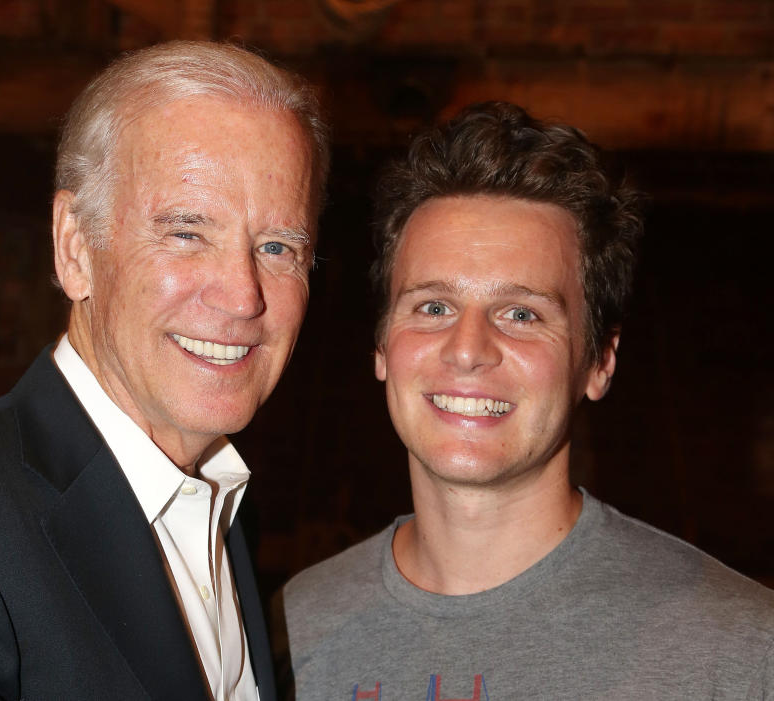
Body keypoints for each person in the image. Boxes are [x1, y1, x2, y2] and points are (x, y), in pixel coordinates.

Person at [0, 40, 328, 700]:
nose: (243, 293)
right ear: (74, 246)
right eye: (186, 231)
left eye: (278, 245)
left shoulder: (219, 508)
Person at [282, 102, 774, 699]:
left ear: (599, 362)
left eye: (521, 314)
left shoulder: (741, 651)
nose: (467, 350)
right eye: (433, 307)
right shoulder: (287, 629)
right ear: (382, 346)